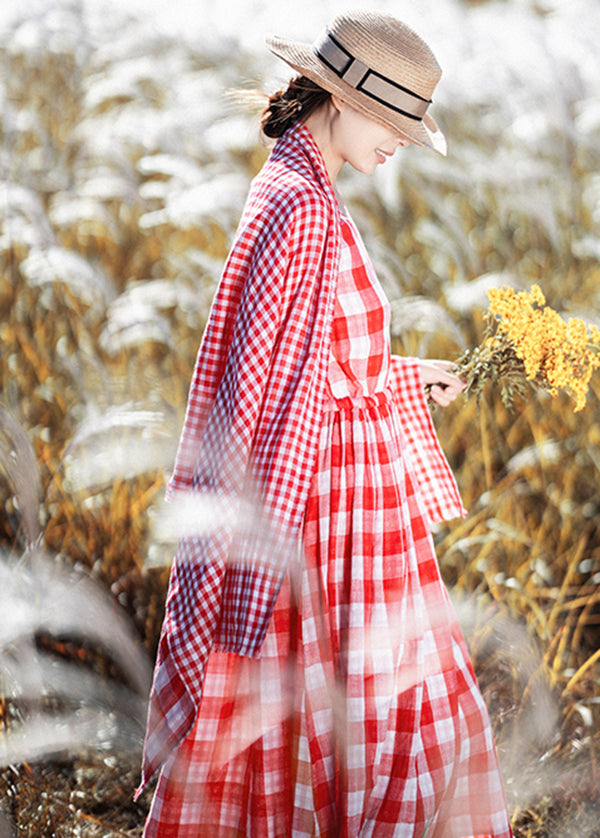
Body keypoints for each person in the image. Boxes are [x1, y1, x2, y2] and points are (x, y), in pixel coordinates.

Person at [136, 9, 513, 837]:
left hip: (350, 511)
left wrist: (408, 375)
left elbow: (308, 359)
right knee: (373, 717)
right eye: (399, 124)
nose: (405, 145)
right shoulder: (300, 205)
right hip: (327, 517)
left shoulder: (301, 185)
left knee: (375, 710)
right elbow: (258, 386)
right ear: (345, 100)